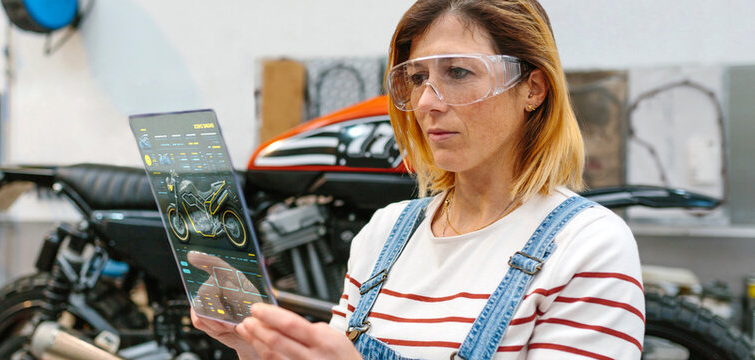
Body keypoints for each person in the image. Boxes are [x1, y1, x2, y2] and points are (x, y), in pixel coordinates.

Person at [193, 0, 644, 358]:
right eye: (417, 77)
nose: (427, 101)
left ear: (533, 88)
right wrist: (256, 343)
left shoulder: (585, 245)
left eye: (458, 72)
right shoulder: (385, 232)